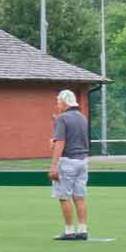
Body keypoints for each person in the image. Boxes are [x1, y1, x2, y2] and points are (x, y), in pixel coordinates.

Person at [48, 89, 90, 240]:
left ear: (64, 102)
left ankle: (69, 231)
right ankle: (83, 229)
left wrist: (53, 165)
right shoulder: (82, 117)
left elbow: (60, 142)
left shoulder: (62, 118)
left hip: (68, 161)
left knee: (64, 197)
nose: (57, 104)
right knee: (80, 196)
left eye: (58, 101)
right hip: (83, 161)